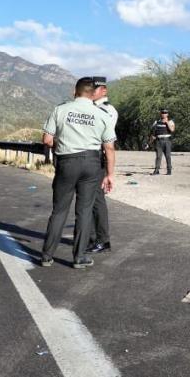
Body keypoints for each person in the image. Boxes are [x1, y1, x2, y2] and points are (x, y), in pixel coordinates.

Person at [41, 77, 116, 269]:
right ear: (93, 93)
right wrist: (109, 174)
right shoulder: (102, 114)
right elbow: (109, 148)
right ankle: (79, 257)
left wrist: (63, 145)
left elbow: (47, 140)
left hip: (67, 162)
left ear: (75, 90)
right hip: (91, 163)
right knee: (84, 211)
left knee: (59, 210)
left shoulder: (61, 109)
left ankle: (47, 255)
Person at [85, 76, 117, 254]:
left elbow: (107, 141)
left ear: (103, 90)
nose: (91, 92)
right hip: (88, 157)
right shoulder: (90, 108)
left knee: (97, 200)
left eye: (94, 89)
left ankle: (102, 239)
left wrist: (109, 172)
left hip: (98, 157)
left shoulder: (107, 110)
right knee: (87, 199)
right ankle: (89, 238)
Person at [150, 109, 175, 175]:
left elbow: (172, 130)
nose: (164, 114)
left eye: (165, 113)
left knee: (168, 156)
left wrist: (167, 123)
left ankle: (169, 170)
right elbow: (153, 132)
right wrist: (150, 141)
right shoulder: (156, 122)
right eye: (162, 113)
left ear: (167, 114)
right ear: (160, 114)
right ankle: (156, 170)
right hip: (158, 141)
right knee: (158, 156)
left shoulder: (171, 122)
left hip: (167, 140)